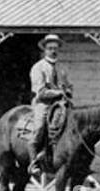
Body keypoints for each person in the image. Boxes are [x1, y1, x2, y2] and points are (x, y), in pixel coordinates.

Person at [28, 34, 72, 175]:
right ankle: (34, 161)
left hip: (61, 104)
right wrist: (59, 92)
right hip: (44, 103)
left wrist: (69, 91)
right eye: (50, 48)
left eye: (56, 48)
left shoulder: (61, 68)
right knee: (40, 127)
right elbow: (40, 92)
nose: (53, 51)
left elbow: (68, 85)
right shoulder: (38, 68)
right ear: (44, 50)